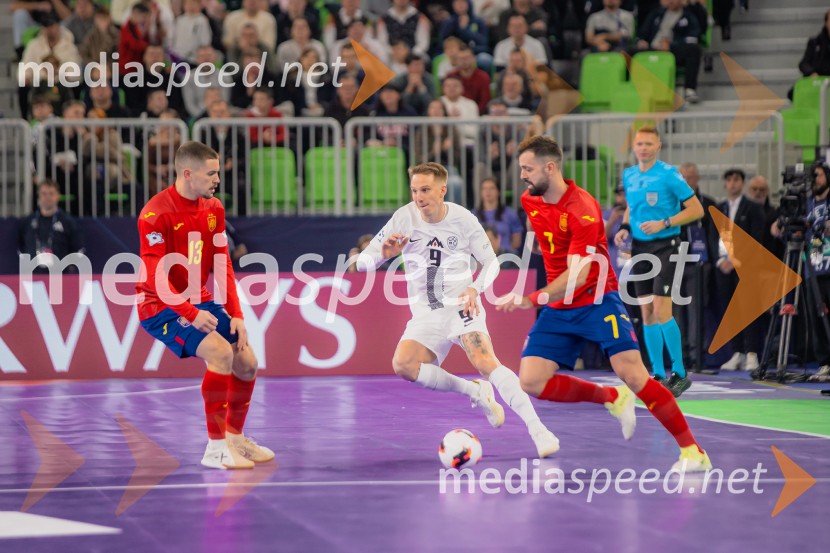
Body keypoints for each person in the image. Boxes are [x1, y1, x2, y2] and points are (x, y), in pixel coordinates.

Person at [496, 135, 712, 472]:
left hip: (597, 300)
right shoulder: (530, 199)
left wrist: (530, 299)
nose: (522, 175)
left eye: (528, 169)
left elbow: (579, 276)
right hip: (561, 306)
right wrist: (543, 244)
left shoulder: (583, 208)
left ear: (550, 167)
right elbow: (536, 224)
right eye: (521, 168)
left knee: (634, 376)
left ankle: (693, 452)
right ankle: (611, 397)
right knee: (532, 381)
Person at [356, 162, 560, 458]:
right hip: (426, 313)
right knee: (404, 365)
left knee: (485, 361)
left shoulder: (463, 219)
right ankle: (474, 391)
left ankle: (538, 430)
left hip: (462, 306)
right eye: (414, 190)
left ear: (443, 190)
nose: (419, 197)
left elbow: (491, 263)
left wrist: (475, 288)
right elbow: (362, 262)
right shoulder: (404, 217)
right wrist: (382, 256)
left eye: (425, 190)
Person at [136, 141, 274, 470]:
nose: (217, 180)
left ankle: (235, 439)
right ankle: (215, 449)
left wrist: (236, 314)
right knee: (221, 353)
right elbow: (156, 277)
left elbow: (222, 263)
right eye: (211, 173)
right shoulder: (155, 214)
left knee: (247, 362)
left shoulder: (214, 208)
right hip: (159, 306)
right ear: (188, 173)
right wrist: (191, 313)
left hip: (199, 300)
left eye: (217, 173)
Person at [614, 126, 704, 397]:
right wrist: (625, 227)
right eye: (639, 144)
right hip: (640, 247)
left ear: (658, 146)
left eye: (648, 144)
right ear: (634, 147)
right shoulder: (629, 175)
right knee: (646, 312)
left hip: (667, 246)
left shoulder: (669, 174)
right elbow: (631, 207)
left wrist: (665, 222)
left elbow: (696, 209)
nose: (643, 148)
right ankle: (657, 374)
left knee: (662, 308)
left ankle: (680, 373)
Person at [17, 179, 84, 273]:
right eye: (44, 194)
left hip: (60, 276)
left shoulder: (68, 222)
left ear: (58, 196)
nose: (47, 197)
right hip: (33, 275)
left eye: (51, 193)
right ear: (38, 195)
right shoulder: (27, 222)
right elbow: (20, 245)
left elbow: (78, 248)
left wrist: (68, 267)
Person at [472, 177, 524, 254]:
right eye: (484, 188)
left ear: (498, 191)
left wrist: (507, 254)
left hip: (505, 256)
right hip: (480, 256)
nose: (488, 191)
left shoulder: (510, 213)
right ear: (481, 192)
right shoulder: (472, 215)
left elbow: (516, 241)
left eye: (492, 188)